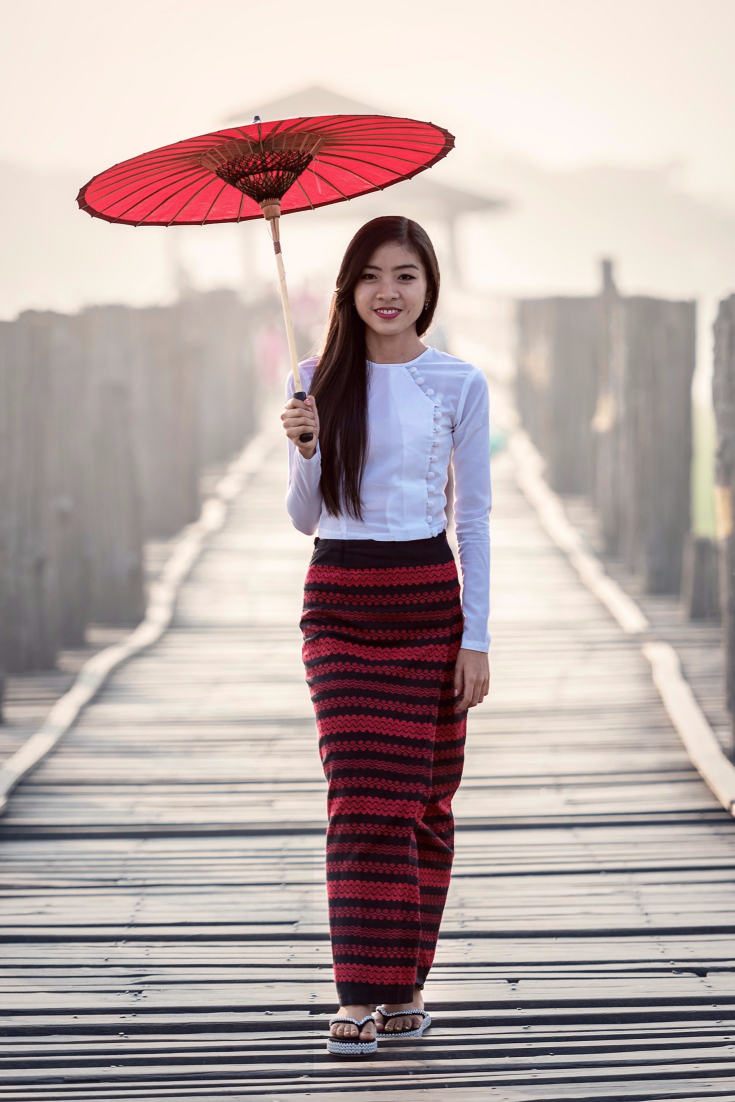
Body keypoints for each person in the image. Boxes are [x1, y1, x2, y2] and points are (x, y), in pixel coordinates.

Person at [280, 216, 492, 1057]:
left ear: (428, 288)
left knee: (425, 806)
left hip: (425, 600)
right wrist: (303, 448)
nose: (388, 292)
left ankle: (404, 986)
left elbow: (469, 516)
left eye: (405, 275)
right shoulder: (311, 380)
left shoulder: (459, 384)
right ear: (347, 290)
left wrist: (475, 636)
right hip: (340, 598)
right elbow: (305, 519)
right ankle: (361, 994)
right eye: (370, 276)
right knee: (362, 798)